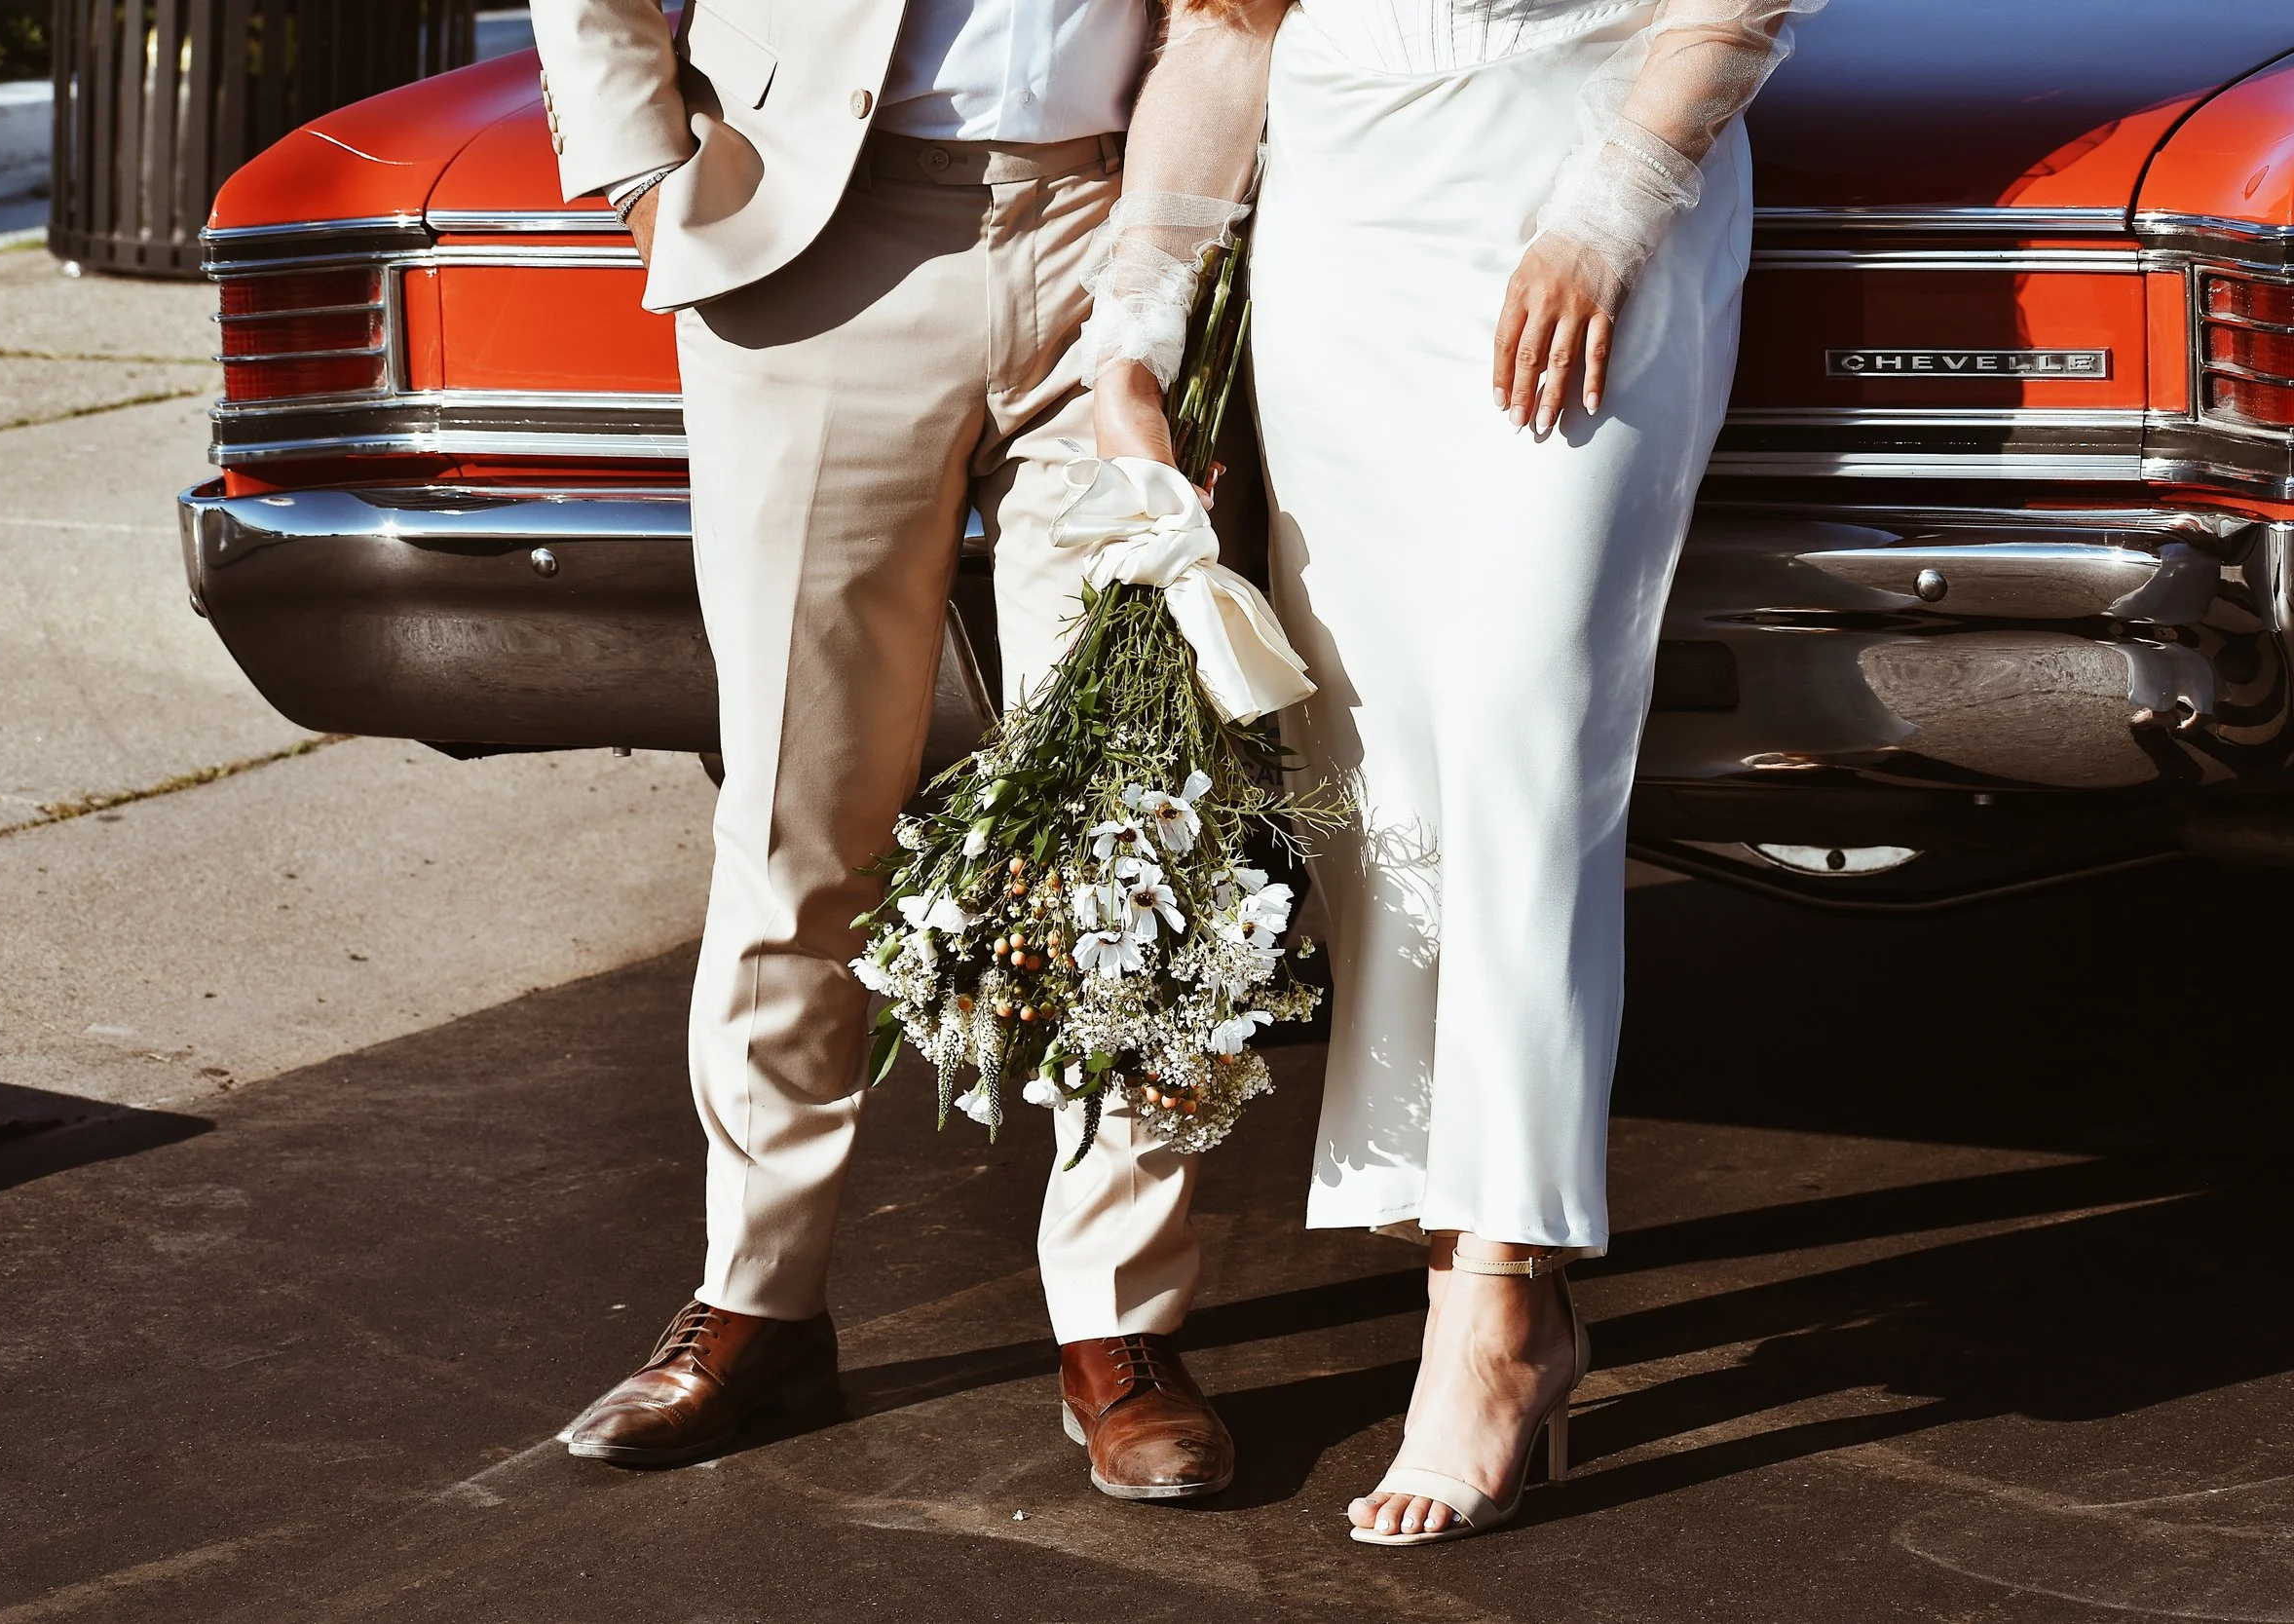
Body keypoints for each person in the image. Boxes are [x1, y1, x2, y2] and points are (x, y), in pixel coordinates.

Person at [1085, 0, 1824, 1544]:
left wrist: (1613, 202)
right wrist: (1137, 318)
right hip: (1344, 221)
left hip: (1588, 173)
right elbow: (1226, 33)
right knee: (1384, 774)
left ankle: (1496, 1304)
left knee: (1522, 735)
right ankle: (1475, 1271)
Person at [528, 0, 1237, 1499]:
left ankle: (1124, 1321)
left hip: (1127, 225)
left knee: (1130, 813)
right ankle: (758, 1296)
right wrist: (647, 164)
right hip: (812, 235)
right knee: (803, 814)